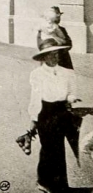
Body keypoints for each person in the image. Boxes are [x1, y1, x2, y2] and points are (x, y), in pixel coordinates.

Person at [21, 38, 81, 193]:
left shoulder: (68, 73)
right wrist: (33, 120)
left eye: (57, 54)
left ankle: (60, 185)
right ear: (43, 57)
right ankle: (44, 182)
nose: (55, 58)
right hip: (45, 113)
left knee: (59, 148)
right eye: (51, 55)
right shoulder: (37, 74)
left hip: (62, 112)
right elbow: (36, 98)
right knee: (48, 148)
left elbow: (71, 92)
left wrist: (71, 98)